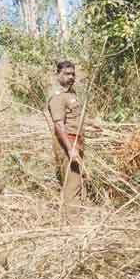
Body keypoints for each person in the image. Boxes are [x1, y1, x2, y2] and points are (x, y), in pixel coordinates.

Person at [47, 60, 85, 216]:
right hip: (67, 142)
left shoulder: (71, 94)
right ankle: (72, 223)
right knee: (71, 184)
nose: (71, 77)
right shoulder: (57, 97)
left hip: (77, 140)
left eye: (73, 74)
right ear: (58, 75)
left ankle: (77, 215)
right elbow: (59, 125)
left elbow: (74, 117)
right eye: (67, 74)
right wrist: (70, 149)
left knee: (77, 181)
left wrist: (92, 123)